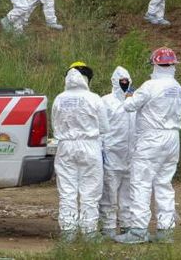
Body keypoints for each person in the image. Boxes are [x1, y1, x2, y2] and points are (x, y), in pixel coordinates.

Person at [115, 48, 181, 245]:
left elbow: (129, 107)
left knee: (141, 182)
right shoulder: (177, 87)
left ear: (155, 64)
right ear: (173, 65)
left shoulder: (150, 85)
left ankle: (138, 230)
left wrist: (129, 93)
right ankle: (165, 230)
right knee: (164, 184)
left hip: (151, 138)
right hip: (172, 138)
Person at [52, 62, 109, 242]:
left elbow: (55, 125)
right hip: (90, 146)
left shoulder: (59, 99)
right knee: (90, 191)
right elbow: (104, 127)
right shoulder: (94, 98)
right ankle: (89, 232)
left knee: (67, 190)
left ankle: (68, 232)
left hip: (66, 147)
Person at [99, 66, 136, 240]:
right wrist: (101, 150)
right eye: (121, 81)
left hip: (131, 156)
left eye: (126, 81)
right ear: (114, 81)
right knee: (109, 193)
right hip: (112, 155)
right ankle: (108, 227)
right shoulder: (106, 101)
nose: (124, 83)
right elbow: (99, 128)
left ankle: (127, 226)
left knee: (128, 195)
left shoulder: (134, 101)